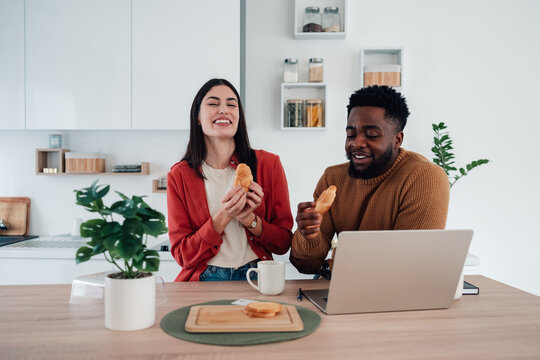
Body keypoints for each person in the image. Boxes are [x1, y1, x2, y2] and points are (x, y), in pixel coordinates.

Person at [290, 85, 450, 277]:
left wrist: (335, 265)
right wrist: (308, 234)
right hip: (341, 283)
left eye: (371, 135)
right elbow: (305, 265)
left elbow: (411, 266)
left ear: (397, 140)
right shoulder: (332, 178)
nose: (356, 143)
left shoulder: (424, 177)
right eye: (351, 134)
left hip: (393, 292)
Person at [167, 78, 293, 282]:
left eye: (231, 104)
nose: (223, 110)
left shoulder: (269, 165)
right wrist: (224, 215)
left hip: (257, 275)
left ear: (239, 116)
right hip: (205, 277)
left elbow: (283, 244)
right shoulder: (179, 176)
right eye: (213, 103)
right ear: (197, 117)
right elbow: (183, 256)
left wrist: (250, 220)